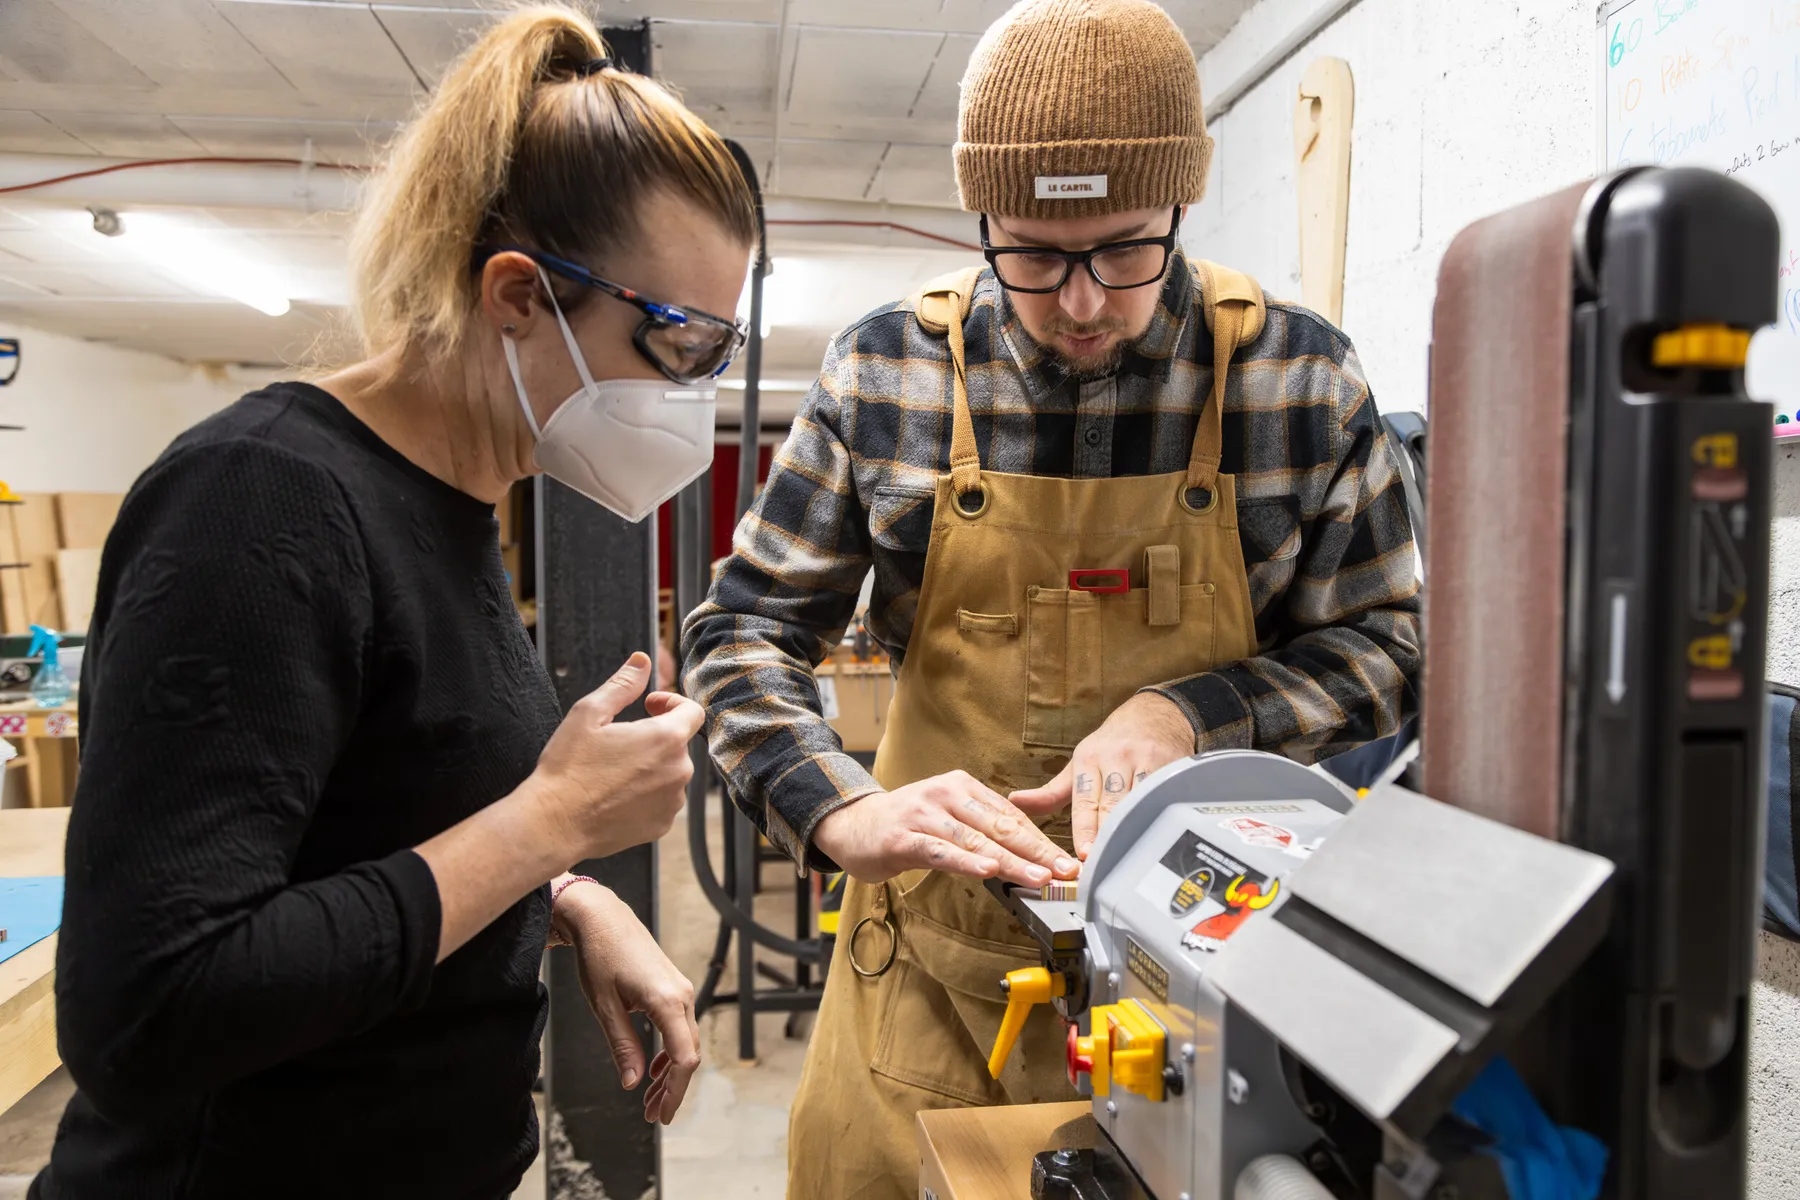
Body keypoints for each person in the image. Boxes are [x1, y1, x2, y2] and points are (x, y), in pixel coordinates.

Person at [680, 0, 1421, 1194]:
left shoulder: (1296, 379)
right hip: (927, 977)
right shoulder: (889, 372)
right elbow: (741, 633)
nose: (1081, 300)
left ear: (1184, 201)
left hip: (1210, 997)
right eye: (1029, 253)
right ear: (980, 217)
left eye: (1127, 248)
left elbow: (1390, 648)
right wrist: (835, 813)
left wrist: (1191, 713)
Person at [33, 7, 757, 1198]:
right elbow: (147, 1014)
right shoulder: (258, 502)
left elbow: (374, 821)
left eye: (716, 356)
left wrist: (566, 898)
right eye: (674, 345)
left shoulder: (456, 507)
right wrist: (550, 828)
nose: (693, 398)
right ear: (518, 295)